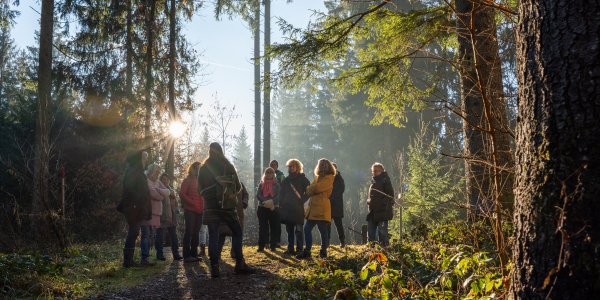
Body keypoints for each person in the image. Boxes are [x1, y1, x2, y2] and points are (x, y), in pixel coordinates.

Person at [197, 142, 255, 277]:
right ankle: (240, 263)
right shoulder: (227, 166)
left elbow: (199, 191)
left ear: (209, 151)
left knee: (213, 235)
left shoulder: (204, 168)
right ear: (221, 151)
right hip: (227, 207)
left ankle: (215, 268)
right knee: (237, 231)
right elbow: (238, 187)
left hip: (210, 207)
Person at [117, 150, 152, 268]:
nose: (146, 160)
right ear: (139, 159)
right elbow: (130, 189)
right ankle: (127, 261)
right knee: (133, 231)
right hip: (133, 206)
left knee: (134, 231)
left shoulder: (138, 171)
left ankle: (129, 261)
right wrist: (138, 201)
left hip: (136, 206)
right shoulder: (133, 171)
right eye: (144, 157)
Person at [297, 158, 335, 259]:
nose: (322, 166)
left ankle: (323, 251)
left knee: (323, 231)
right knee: (307, 229)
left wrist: (312, 189)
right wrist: (311, 189)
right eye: (321, 164)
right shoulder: (318, 177)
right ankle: (307, 251)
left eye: (324, 164)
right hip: (313, 207)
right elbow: (308, 189)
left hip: (322, 207)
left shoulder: (329, 177)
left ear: (328, 166)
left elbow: (316, 188)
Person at [279, 159, 310, 255]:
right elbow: (281, 193)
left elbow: (309, 191)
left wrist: (302, 200)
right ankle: (290, 249)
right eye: (290, 166)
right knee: (290, 230)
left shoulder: (302, 179)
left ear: (297, 167)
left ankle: (300, 250)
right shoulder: (286, 180)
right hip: (287, 209)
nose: (291, 167)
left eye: (293, 166)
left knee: (299, 230)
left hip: (298, 209)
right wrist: (282, 204)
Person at [142, 163, 168, 265]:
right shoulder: (145, 180)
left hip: (156, 213)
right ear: (151, 171)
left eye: (159, 172)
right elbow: (153, 194)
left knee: (151, 235)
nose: (158, 174)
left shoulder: (157, 182)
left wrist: (159, 191)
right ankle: (144, 258)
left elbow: (167, 192)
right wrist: (160, 195)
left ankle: (147, 257)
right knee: (146, 235)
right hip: (147, 211)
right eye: (156, 172)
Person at [179, 162, 204, 262]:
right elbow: (182, 193)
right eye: (197, 168)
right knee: (189, 232)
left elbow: (203, 195)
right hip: (190, 210)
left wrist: (204, 206)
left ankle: (194, 254)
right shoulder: (187, 179)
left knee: (196, 233)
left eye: (199, 168)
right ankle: (186, 256)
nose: (198, 170)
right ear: (192, 168)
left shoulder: (201, 180)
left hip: (200, 210)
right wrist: (192, 202)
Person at [366, 162, 395, 246]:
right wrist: (369, 201)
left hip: (382, 212)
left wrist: (379, 203)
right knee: (370, 233)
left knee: (382, 233)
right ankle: (370, 250)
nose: (374, 172)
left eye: (376, 171)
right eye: (373, 171)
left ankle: (384, 250)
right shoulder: (373, 182)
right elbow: (370, 197)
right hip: (372, 211)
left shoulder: (385, 181)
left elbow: (390, 197)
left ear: (381, 171)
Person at [218, 182, 249, 258]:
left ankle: (234, 252)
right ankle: (217, 253)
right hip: (225, 212)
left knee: (236, 233)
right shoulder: (221, 183)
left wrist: (244, 203)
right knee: (222, 233)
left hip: (238, 212)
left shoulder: (240, 183)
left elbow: (246, 194)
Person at [157, 173, 183, 260]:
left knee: (174, 236)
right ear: (161, 180)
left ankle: (176, 254)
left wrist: (176, 211)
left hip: (171, 216)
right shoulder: (159, 190)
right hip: (161, 215)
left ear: (169, 180)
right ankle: (159, 254)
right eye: (163, 179)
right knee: (160, 235)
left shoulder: (171, 191)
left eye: (167, 179)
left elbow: (175, 203)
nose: (165, 181)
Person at [256, 167, 281, 252]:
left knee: (274, 227)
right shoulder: (261, 183)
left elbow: (278, 196)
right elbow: (258, 194)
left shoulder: (277, 184)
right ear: (265, 174)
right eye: (267, 172)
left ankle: (272, 246)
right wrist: (265, 201)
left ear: (273, 174)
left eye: (271, 172)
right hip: (262, 208)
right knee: (262, 227)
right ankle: (261, 246)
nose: (269, 174)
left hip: (273, 208)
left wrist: (271, 201)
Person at [328, 163, 346, 247]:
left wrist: (332, 196)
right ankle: (326, 242)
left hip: (337, 206)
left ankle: (342, 242)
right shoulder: (327, 177)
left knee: (339, 225)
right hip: (328, 205)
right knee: (327, 225)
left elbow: (341, 190)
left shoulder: (339, 178)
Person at [269, 160, 284, 248]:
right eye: (271, 165)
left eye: (274, 165)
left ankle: (277, 242)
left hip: (278, 202)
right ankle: (270, 242)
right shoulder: (266, 174)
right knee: (269, 223)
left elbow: (284, 185)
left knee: (277, 223)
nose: (273, 166)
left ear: (277, 166)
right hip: (268, 202)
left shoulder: (281, 175)